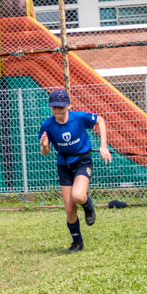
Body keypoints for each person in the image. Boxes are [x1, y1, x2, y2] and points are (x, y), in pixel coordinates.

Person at [39, 88, 112, 253]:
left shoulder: (78, 118)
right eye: (54, 107)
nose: (57, 110)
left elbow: (100, 121)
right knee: (69, 208)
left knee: (78, 195)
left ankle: (88, 205)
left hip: (82, 161)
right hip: (64, 165)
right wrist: (44, 145)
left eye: (61, 107)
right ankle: (77, 242)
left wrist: (103, 146)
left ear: (69, 106)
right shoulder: (47, 125)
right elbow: (45, 152)